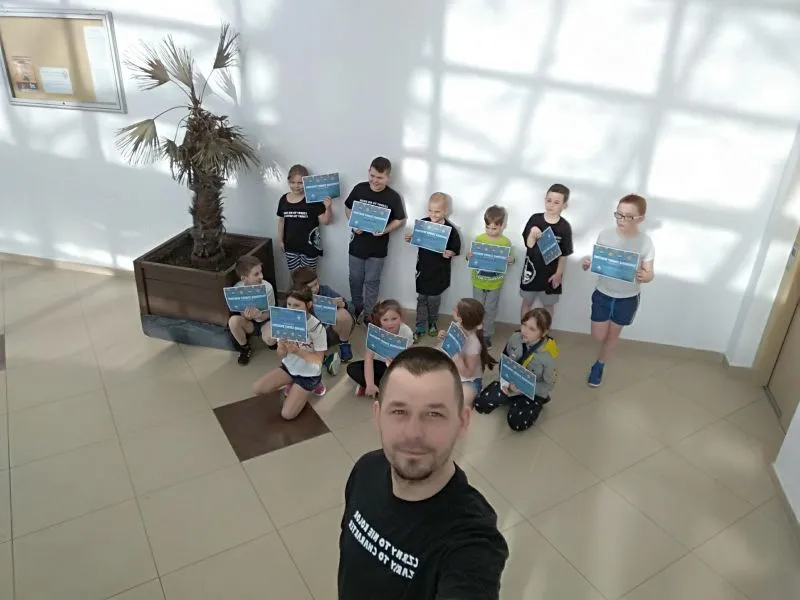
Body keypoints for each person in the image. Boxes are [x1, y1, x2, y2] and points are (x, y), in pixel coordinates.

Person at [338, 346, 509, 599]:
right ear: (378, 416)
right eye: (399, 411)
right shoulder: (366, 468)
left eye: (434, 414)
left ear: (462, 422)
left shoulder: (472, 541)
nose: (413, 433)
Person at [582, 194, 655, 387]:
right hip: (603, 293)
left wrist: (645, 276)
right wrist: (588, 262)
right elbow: (598, 259)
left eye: (628, 217)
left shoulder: (645, 242)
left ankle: (599, 365)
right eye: (619, 214)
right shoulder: (605, 235)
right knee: (599, 335)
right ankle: (603, 352)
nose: (622, 220)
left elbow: (650, 273)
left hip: (627, 298)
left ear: (641, 218)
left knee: (613, 335)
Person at [473, 308, 558, 432]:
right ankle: (512, 399)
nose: (524, 331)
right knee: (480, 404)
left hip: (531, 392)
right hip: (509, 383)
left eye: (532, 329)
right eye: (524, 324)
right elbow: (505, 360)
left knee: (516, 422)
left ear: (544, 332)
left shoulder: (549, 355)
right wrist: (504, 381)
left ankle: (534, 404)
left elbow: (548, 385)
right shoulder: (515, 338)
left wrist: (522, 388)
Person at [344, 157, 406, 324]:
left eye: (380, 177)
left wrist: (384, 230)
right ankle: (357, 307)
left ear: (388, 177)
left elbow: (400, 220)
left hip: (377, 249)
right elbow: (348, 208)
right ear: (368, 172)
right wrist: (353, 224)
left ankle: (369, 314)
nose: (375, 180)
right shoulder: (359, 189)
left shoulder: (393, 197)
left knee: (372, 282)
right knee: (355, 279)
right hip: (356, 246)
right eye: (372, 175)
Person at [252, 287, 327, 419]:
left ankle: (315, 384)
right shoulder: (284, 321)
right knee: (257, 388)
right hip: (289, 368)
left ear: (309, 305)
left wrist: (298, 351)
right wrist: (281, 346)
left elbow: (318, 360)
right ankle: (292, 382)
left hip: (309, 375)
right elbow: (280, 354)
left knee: (287, 414)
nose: (291, 309)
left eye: (297, 305)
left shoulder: (317, 328)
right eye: (289, 304)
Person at [403, 192, 461, 342]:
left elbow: (456, 248)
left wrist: (451, 252)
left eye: (437, 211)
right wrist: (410, 238)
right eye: (430, 210)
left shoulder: (450, 229)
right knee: (421, 299)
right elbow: (417, 239)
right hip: (422, 270)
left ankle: (433, 322)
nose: (433, 215)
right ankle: (420, 325)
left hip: (439, 272)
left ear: (445, 211)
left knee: (434, 300)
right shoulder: (423, 224)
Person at [520, 183, 573, 318]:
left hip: (551, 275)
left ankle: (545, 330)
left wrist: (559, 273)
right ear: (545, 200)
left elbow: (564, 254)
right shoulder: (535, 219)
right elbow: (529, 245)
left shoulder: (565, 227)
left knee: (549, 305)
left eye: (556, 202)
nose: (551, 205)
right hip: (531, 272)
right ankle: (524, 328)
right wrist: (533, 233)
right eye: (549, 200)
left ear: (564, 205)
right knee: (527, 302)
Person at [467, 205, 515, 348]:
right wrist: (468, 256)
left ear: (502, 226)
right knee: (477, 309)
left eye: (494, 228)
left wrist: (511, 260)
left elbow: (509, 259)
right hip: (478, 281)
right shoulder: (480, 239)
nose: (490, 231)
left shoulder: (505, 242)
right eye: (487, 227)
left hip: (495, 283)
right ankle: (476, 333)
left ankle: (487, 335)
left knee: (490, 310)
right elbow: (471, 257)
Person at [291, 266, 355, 372]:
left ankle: (344, 344)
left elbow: (352, 308)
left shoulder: (325, 290)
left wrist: (343, 304)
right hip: (309, 338)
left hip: (328, 333)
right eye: (310, 287)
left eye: (316, 284)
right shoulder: (293, 298)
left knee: (343, 314)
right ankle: (325, 359)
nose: (315, 288)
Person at [346, 299, 414, 397]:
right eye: (385, 320)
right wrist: (370, 384)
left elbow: (408, 359)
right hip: (378, 365)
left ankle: (380, 389)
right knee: (353, 368)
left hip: (396, 367)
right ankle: (374, 388)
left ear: (401, 318)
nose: (390, 323)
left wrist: (395, 364)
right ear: (380, 320)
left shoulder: (407, 332)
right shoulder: (375, 332)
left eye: (394, 319)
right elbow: (368, 358)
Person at [437, 298, 496, 407]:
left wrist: (456, 357)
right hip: (453, 373)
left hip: (469, 381)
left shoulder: (473, 343)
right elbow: (446, 345)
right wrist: (442, 336)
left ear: (460, 318)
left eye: (455, 309)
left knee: (458, 404)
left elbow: (468, 373)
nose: (453, 308)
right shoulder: (457, 326)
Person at [276, 164, 333, 273]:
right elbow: (281, 221)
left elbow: (325, 221)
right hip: (290, 247)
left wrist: (328, 207)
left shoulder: (313, 199)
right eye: (293, 182)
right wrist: (280, 241)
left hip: (310, 248)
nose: (296, 186)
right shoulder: (283, 199)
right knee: (295, 276)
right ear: (288, 181)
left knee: (309, 278)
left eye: (300, 183)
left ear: (306, 182)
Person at [227, 255, 277, 365]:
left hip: (265, 320)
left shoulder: (268, 287)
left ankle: (270, 342)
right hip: (249, 323)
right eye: (256, 274)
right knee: (233, 321)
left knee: (270, 339)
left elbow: (272, 312)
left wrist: (260, 316)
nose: (261, 276)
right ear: (244, 278)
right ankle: (245, 347)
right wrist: (246, 316)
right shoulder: (237, 289)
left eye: (261, 272)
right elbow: (241, 313)